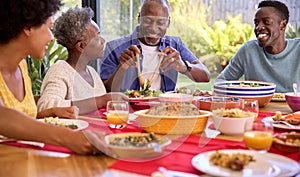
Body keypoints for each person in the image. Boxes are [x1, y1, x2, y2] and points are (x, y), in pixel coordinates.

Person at [0, 0, 110, 155]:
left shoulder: (21, 67)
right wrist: (68, 137)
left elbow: (21, 113)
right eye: (49, 28)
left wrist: (50, 112)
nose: (52, 38)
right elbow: (3, 117)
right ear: (28, 27)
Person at [100, 0, 210, 92]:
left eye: (161, 23)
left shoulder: (175, 44)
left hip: (164, 110)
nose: (153, 28)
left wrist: (184, 67)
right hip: (129, 110)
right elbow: (105, 90)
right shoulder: (114, 47)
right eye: (148, 21)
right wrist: (122, 68)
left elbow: (205, 76)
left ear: (168, 23)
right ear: (139, 19)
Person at [37, 7, 128, 115]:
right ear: (81, 46)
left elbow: (104, 97)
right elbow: (45, 106)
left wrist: (123, 66)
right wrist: (100, 101)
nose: (103, 41)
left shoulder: (91, 72)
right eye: (97, 37)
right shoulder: (60, 71)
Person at [215, 0, 300, 93]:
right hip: (256, 106)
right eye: (256, 23)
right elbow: (220, 82)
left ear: (283, 25)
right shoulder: (248, 51)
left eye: (266, 22)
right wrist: (241, 90)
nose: (258, 27)